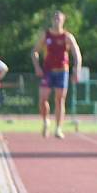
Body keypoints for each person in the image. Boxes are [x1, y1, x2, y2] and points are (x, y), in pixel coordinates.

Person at [31, 10, 82, 139]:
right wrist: (37, 67)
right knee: (43, 99)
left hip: (62, 71)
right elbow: (34, 52)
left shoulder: (67, 36)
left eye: (59, 18)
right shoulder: (46, 35)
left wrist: (77, 69)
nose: (57, 21)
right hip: (47, 71)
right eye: (55, 18)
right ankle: (45, 121)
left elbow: (77, 54)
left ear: (63, 20)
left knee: (60, 100)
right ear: (52, 20)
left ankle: (58, 128)